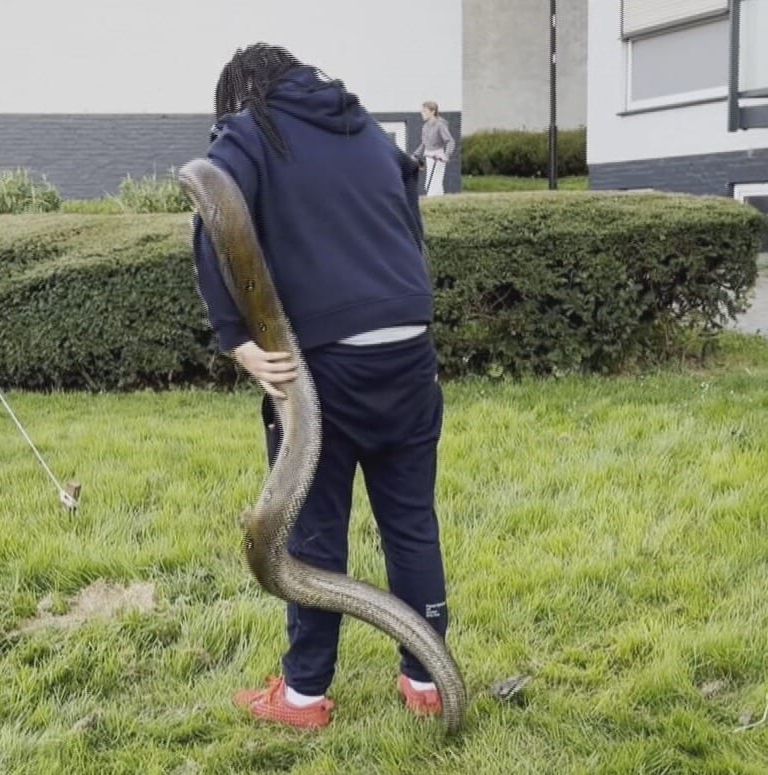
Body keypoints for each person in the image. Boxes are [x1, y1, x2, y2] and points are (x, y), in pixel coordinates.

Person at [191, 44, 450, 730]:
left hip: (326, 365)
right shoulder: (363, 129)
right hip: (409, 352)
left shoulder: (251, 129)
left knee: (312, 531)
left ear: (243, 92)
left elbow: (214, 209)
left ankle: (303, 696)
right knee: (411, 521)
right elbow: (409, 218)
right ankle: (427, 681)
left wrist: (235, 336)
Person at [412, 101, 455, 197]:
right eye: (422, 111)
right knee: (430, 184)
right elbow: (424, 143)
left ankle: (432, 204)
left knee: (434, 184)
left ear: (432, 111)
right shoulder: (425, 126)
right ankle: (440, 204)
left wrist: (446, 155)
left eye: (424, 111)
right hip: (428, 156)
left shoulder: (440, 125)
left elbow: (450, 141)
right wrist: (415, 155)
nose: (422, 113)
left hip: (438, 157)